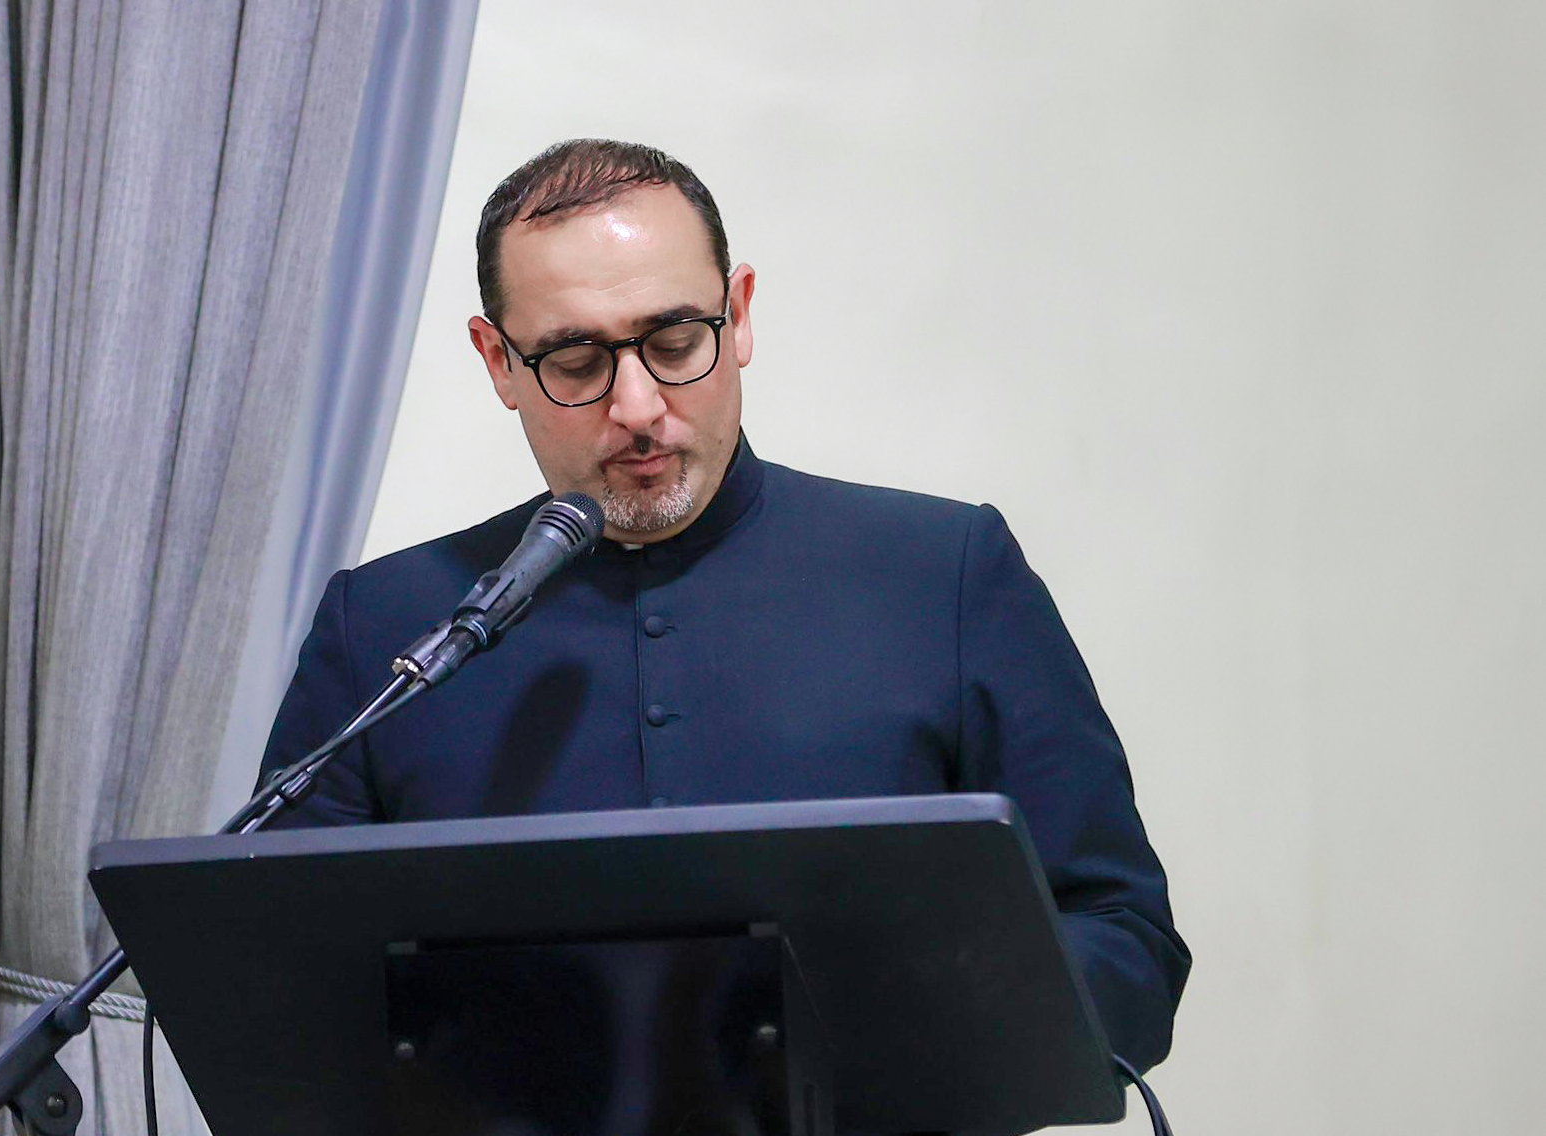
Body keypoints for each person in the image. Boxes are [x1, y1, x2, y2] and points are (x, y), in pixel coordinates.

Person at [258, 139, 1189, 1073]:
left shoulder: (942, 572)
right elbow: (284, 999)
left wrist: (917, 1002)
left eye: (672, 344)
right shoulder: (383, 627)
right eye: (576, 361)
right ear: (497, 361)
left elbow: (1124, 945)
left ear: (737, 315)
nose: (636, 405)